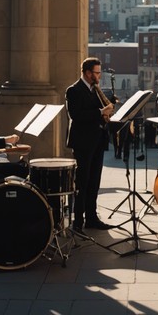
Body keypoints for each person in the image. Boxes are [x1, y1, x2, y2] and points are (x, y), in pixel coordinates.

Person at [65, 58, 115, 232]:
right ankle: (78, 221)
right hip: (83, 142)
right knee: (83, 182)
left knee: (94, 182)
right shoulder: (74, 90)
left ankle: (92, 218)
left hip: (98, 140)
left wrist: (105, 113)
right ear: (87, 73)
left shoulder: (95, 90)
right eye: (97, 72)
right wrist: (101, 112)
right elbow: (76, 115)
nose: (99, 76)